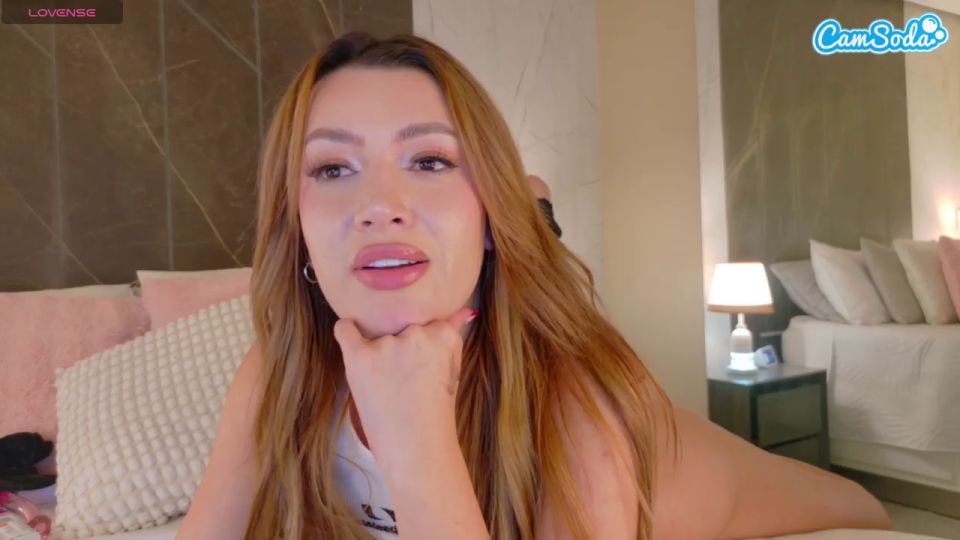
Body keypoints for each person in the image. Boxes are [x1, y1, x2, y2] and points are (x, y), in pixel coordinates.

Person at [177, 31, 891, 539]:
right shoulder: (278, 374)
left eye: (429, 160)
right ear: (296, 225)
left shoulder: (575, 407)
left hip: (837, 517)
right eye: (333, 169)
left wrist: (413, 433)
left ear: (491, 214)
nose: (379, 204)